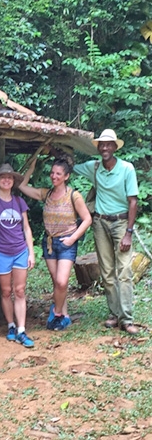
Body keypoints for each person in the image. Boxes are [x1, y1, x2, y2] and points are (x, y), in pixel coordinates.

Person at [73, 129, 139, 335]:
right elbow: (69, 167)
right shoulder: (94, 168)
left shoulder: (127, 169)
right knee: (107, 271)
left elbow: (133, 202)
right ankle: (114, 313)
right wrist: (55, 150)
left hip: (121, 223)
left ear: (115, 147)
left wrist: (128, 232)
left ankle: (127, 319)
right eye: (102, 144)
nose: (104, 148)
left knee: (125, 271)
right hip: (100, 223)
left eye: (109, 144)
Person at [19, 157, 92, 331]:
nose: (54, 176)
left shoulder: (74, 195)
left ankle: (56, 312)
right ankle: (64, 316)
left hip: (67, 242)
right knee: (56, 282)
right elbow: (22, 186)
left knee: (61, 282)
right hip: (50, 242)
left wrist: (73, 238)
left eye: (58, 173)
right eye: (52, 173)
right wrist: (31, 167)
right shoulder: (47, 194)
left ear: (66, 176)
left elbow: (87, 219)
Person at [0, 163, 36, 348]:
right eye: (2, 177)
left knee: (20, 290)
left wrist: (31, 252)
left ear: (13, 181)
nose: (6, 180)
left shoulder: (18, 201)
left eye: (10, 177)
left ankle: (22, 329)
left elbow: (26, 228)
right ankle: (11, 325)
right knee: (6, 291)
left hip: (19, 250)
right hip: (0, 252)